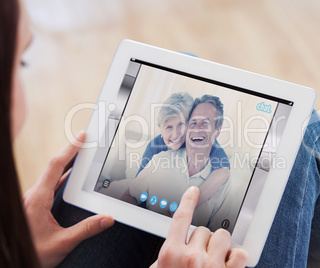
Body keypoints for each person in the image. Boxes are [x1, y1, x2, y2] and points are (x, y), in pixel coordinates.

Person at [0, 0, 248, 267]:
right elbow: (136, 187)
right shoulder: (158, 151)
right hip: (154, 199)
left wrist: (16, 253)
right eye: (21, 63)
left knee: (186, 61)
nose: (181, 132)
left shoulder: (214, 161)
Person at [122, 95, 230, 229]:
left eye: (181, 125)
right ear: (161, 130)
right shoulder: (155, 148)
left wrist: (183, 208)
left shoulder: (208, 143)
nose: (175, 135)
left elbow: (223, 172)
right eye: (168, 127)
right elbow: (136, 192)